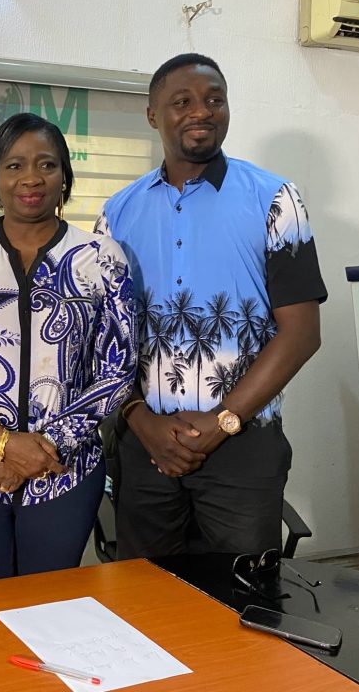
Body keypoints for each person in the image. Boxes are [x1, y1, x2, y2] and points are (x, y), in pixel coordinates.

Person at [96, 53, 327, 558]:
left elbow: (302, 332)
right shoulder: (115, 215)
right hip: (145, 446)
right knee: (144, 604)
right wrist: (142, 422)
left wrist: (223, 420)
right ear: (153, 114)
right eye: (182, 101)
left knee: (242, 605)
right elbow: (103, 341)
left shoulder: (276, 201)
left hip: (244, 446)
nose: (201, 111)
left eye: (214, 100)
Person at [0, 113, 137, 585]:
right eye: (14, 165)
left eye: (47, 165)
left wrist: (47, 446)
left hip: (64, 468)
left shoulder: (101, 258)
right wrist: (0, 441)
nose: (32, 178)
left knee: (51, 610)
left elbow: (118, 370)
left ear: (65, 178)